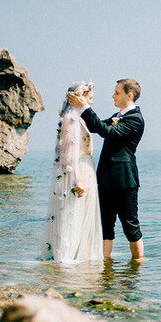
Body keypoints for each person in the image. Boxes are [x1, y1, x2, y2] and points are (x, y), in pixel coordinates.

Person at [68, 79, 145, 261]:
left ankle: (138, 266)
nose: (113, 96)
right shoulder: (117, 116)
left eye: (117, 92)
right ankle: (106, 269)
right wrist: (74, 114)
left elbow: (106, 131)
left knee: (131, 226)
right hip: (105, 179)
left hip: (124, 181)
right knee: (105, 226)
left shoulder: (135, 119)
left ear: (129, 95)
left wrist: (85, 107)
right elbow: (95, 127)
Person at [41, 81, 103, 263]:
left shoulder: (78, 117)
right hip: (79, 170)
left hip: (86, 167)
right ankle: (70, 256)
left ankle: (82, 256)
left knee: (83, 215)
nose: (91, 102)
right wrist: (78, 179)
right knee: (74, 212)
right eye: (89, 98)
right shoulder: (71, 118)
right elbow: (68, 154)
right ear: (79, 97)